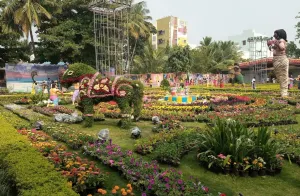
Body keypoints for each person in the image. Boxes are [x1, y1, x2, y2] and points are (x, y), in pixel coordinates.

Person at [267, 29, 288, 97]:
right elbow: (272, 48)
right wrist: (270, 44)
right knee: (280, 77)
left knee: (283, 77)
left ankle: (284, 94)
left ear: (279, 34)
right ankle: (283, 92)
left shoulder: (281, 40)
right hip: (277, 59)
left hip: (281, 59)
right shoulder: (278, 41)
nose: (274, 35)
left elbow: (282, 47)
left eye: (275, 34)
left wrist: (276, 42)